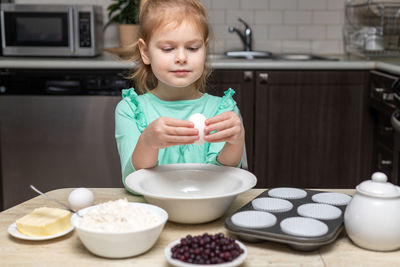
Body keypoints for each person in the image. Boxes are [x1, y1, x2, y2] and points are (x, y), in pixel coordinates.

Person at [115, 0, 245, 192]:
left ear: (204, 48)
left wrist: (236, 142)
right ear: (145, 52)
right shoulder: (131, 110)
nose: (182, 58)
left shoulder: (223, 110)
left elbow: (223, 179)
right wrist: (148, 142)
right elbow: (133, 183)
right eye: (168, 48)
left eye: (193, 48)